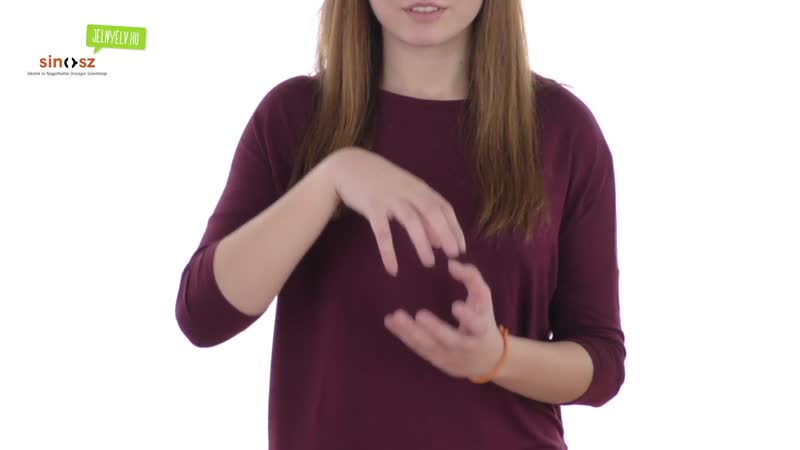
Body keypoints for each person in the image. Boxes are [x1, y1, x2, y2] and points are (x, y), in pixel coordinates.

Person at [175, 0, 625, 448]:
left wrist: (497, 356)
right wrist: (330, 179)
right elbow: (203, 315)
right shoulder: (293, 119)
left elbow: (602, 364)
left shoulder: (563, 130)